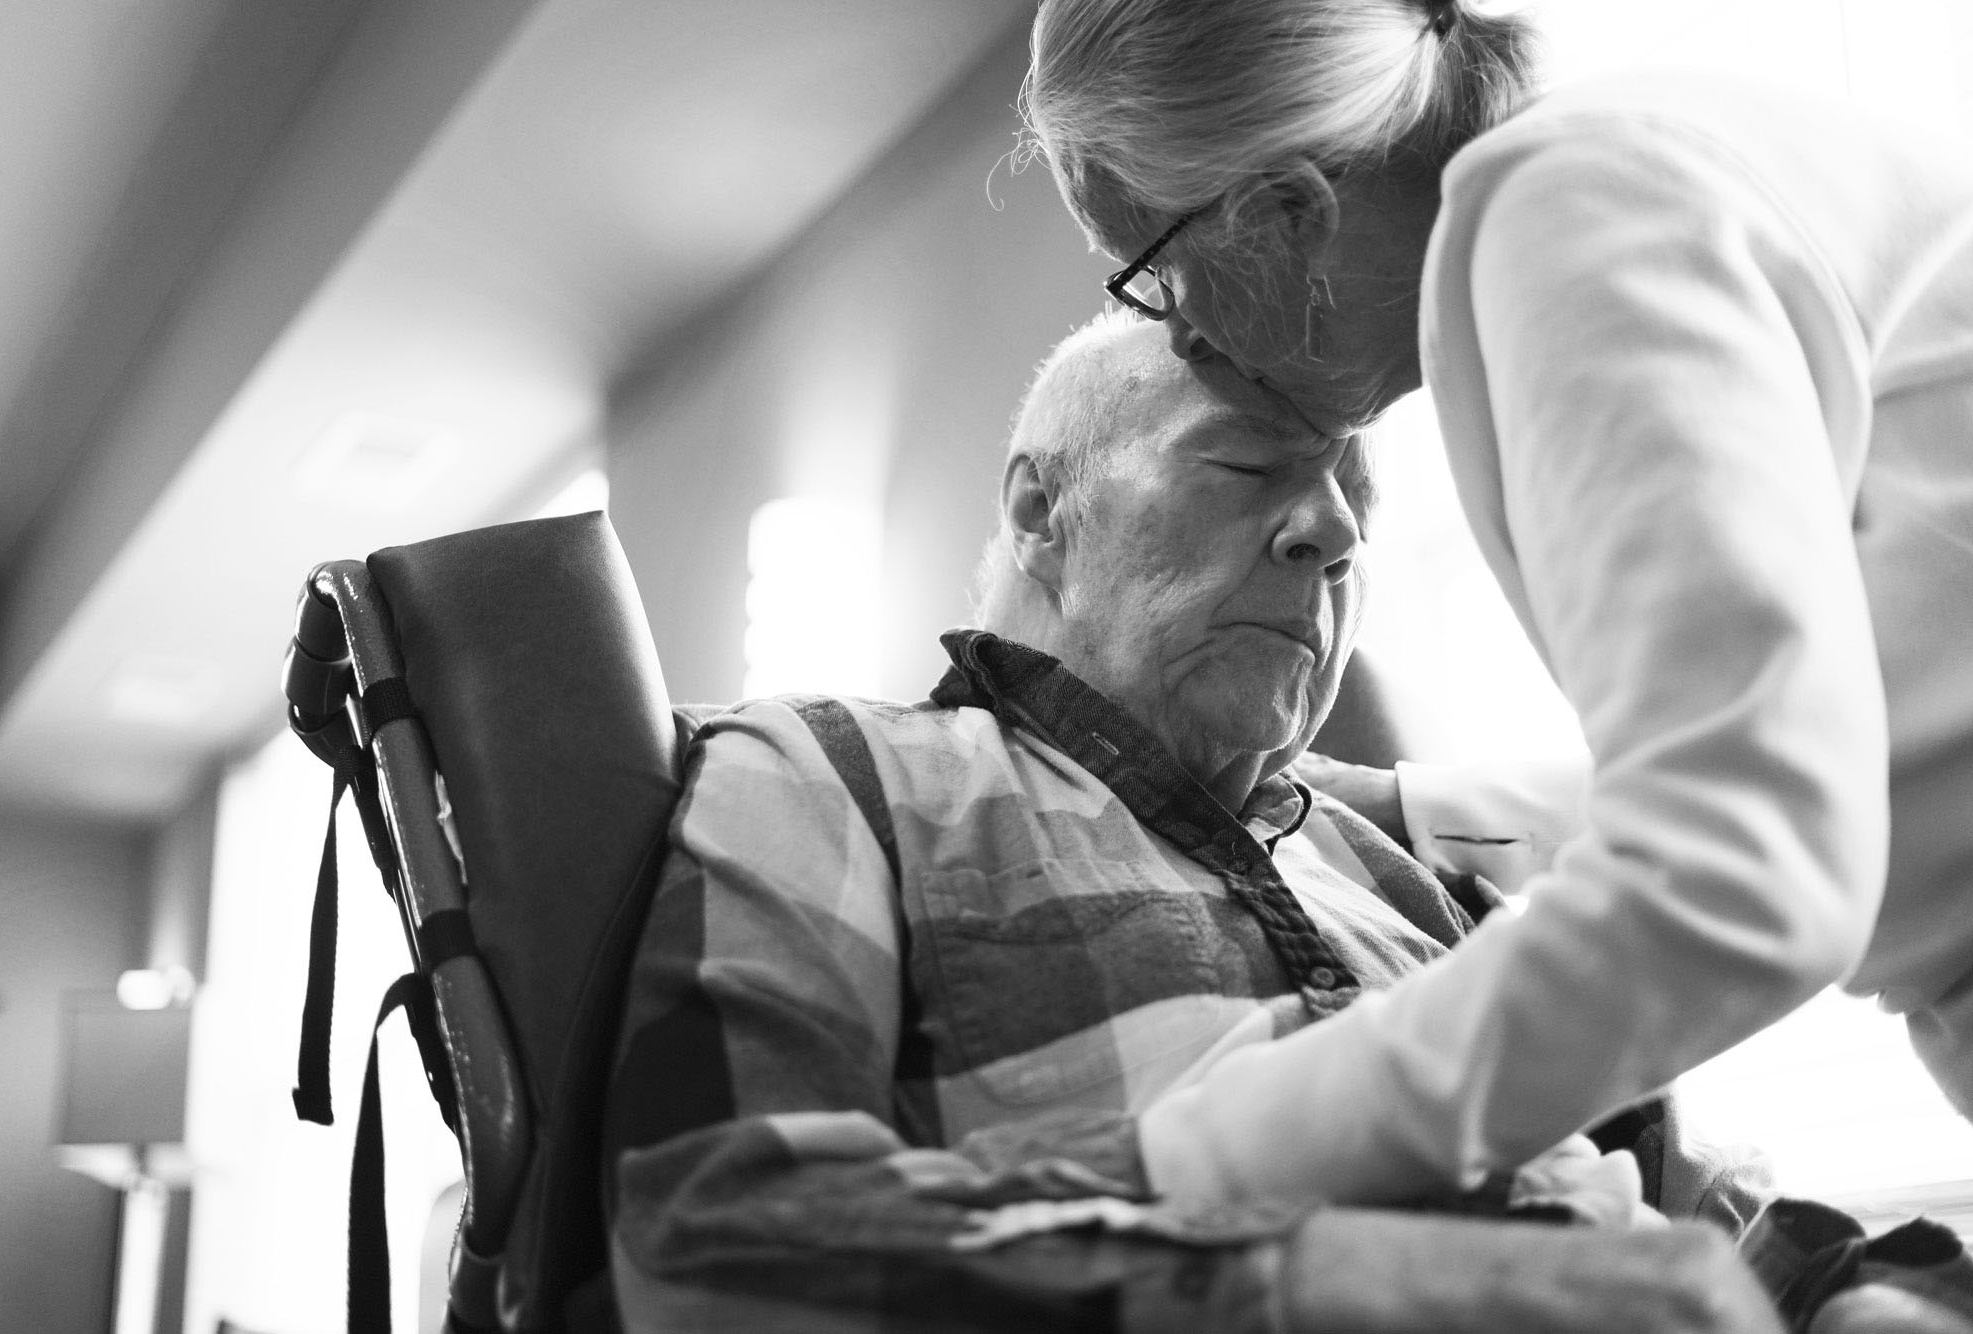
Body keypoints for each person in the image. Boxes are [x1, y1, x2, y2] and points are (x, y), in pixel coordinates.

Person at [600, 310, 1783, 1333]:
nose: (1331, 533)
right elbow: (719, 1237)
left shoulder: (1389, 867)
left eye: (1353, 502)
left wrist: (1843, 1286)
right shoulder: (830, 771)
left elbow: (1681, 1198)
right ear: (1039, 509)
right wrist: (1325, 1281)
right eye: (1242, 466)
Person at [1021, 0, 1973, 1220]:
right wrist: (1427, 810)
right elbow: (1843, 749)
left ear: (1284, 209)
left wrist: (1177, 1164)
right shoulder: (1643, 164)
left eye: (1152, 274)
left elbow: (1742, 878)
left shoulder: (1566, 210)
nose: (1180, 338)